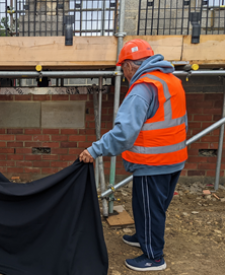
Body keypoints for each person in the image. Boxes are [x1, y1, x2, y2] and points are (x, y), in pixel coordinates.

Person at [79, 39, 188, 272]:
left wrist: (94, 150)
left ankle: (154, 257)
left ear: (129, 65)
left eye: (122, 68)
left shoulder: (142, 89)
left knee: (150, 208)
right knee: (148, 205)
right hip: (174, 158)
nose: (123, 73)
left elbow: (124, 133)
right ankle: (143, 236)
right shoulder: (171, 81)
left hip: (154, 161)